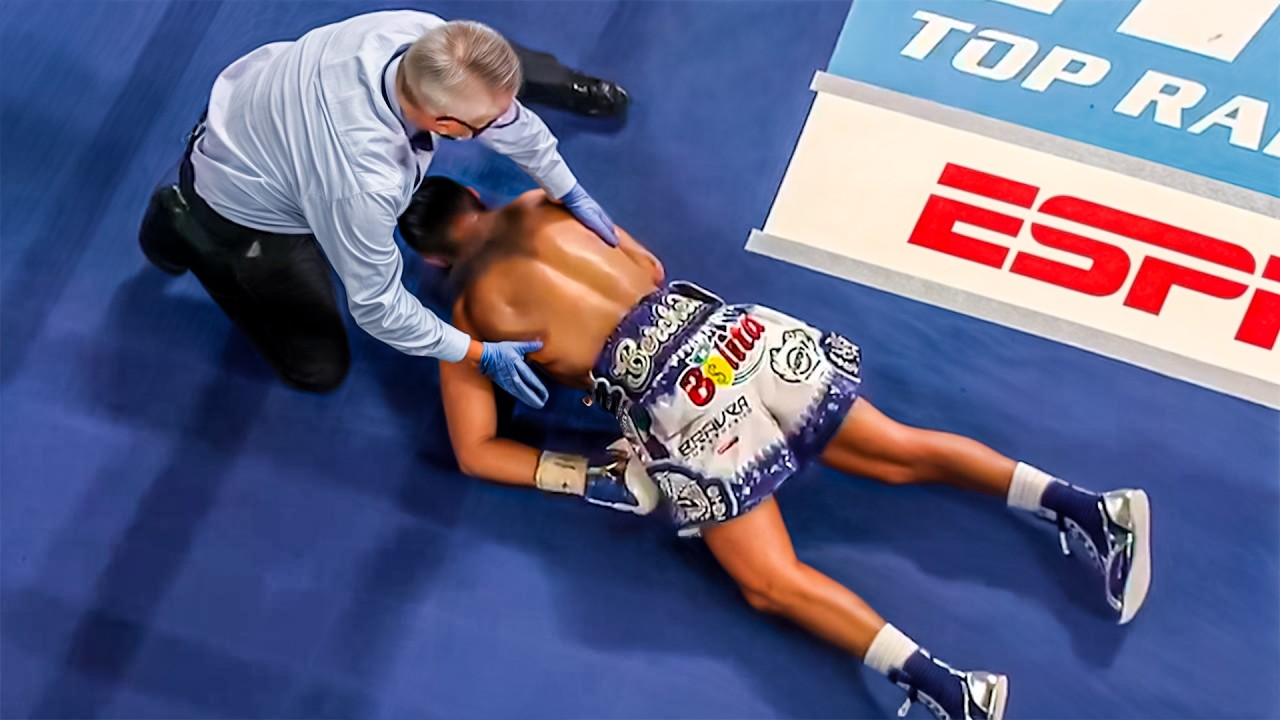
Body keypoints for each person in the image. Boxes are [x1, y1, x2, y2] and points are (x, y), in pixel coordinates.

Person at [399, 177, 1154, 719]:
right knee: (898, 450)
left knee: (769, 581)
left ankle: (953, 692)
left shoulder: (465, 319)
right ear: (477, 200)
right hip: (737, 336)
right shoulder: (550, 198)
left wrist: (587, 474)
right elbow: (652, 269)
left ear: (433, 261)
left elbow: (476, 451)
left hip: (681, 407)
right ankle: (1090, 507)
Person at [137, 10, 628, 407]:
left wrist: (566, 188)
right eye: (482, 125)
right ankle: (183, 223)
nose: (505, 124)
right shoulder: (363, 182)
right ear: (444, 123)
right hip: (241, 205)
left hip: (262, 110)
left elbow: (504, 119)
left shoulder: (420, 35)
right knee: (318, 368)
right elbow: (378, 308)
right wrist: (475, 351)